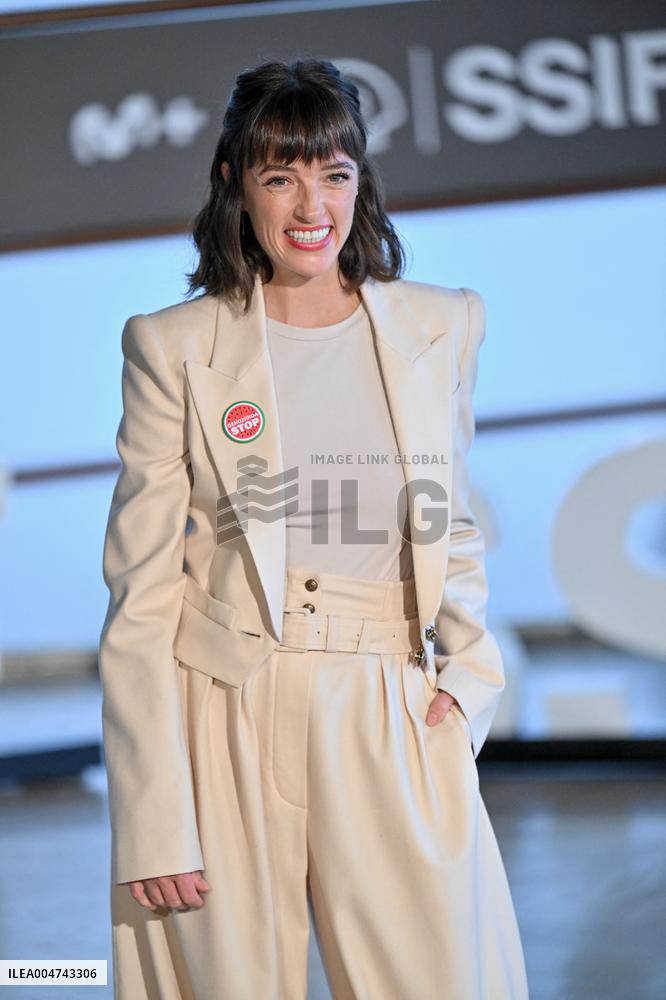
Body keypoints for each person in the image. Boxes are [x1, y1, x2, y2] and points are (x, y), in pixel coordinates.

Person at [98, 57, 529, 1000]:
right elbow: (141, 597)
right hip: (225, 713)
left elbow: (450, 526)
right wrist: (152, 810)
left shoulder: (441, 325)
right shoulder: (173, 347)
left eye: (333, 173)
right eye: (280, 174)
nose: (310, 205)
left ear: (358, 183)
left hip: (389, 709)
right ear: (234, 184)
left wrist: (466, 685)